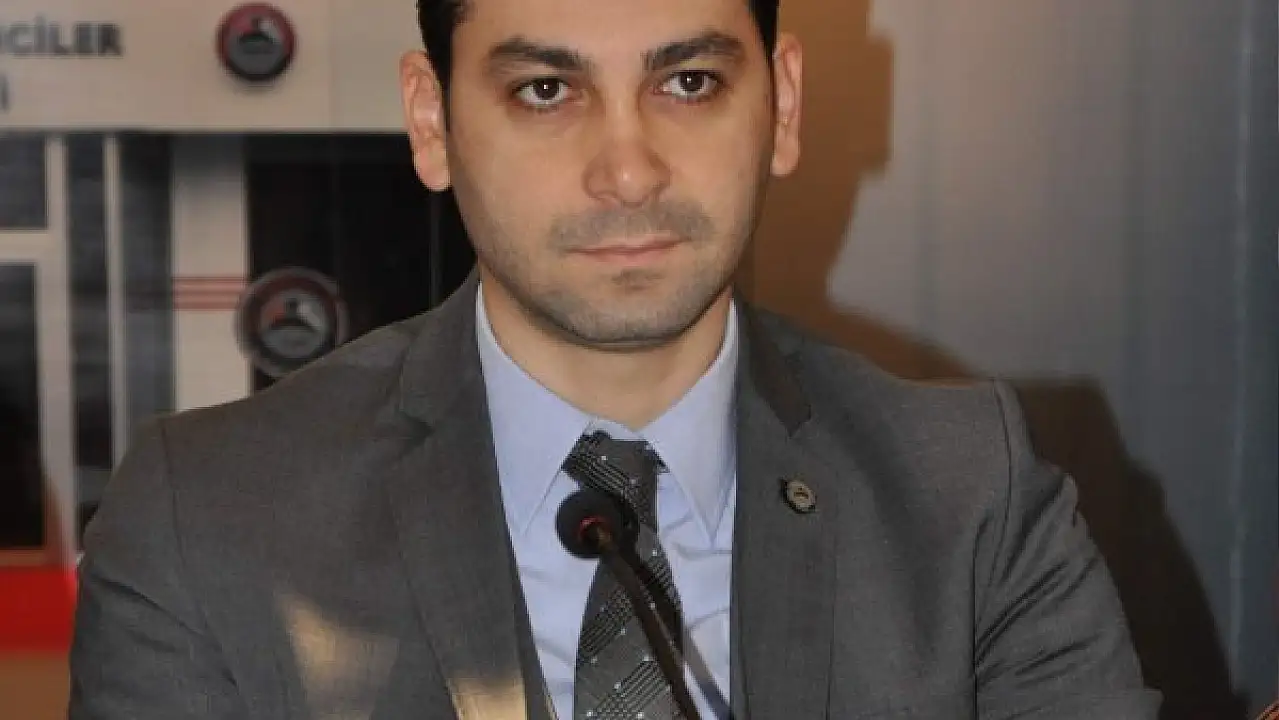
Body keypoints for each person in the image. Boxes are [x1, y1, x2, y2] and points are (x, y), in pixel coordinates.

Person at [69, 0, 1160, 718]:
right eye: (547, 91)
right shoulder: (207, 519)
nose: (629, 171)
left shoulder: (969, 497)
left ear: (781, 105)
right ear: (431, 122)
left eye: (688, 82)